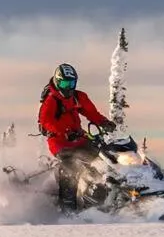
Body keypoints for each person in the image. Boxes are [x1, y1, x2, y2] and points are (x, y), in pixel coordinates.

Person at [37, 63, 117, 210]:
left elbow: (91, 112)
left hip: (79, 137)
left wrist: (104, 122)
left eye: (71, 83)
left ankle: (108, 193)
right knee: (70, 167)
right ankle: (67, 207)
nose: (68, 87)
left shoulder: (78, 97)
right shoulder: (51, 101)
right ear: (57, 81)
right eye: (65, 83)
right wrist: (66, 131)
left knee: (104, 157)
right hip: (60, 142)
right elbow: (46, 121)